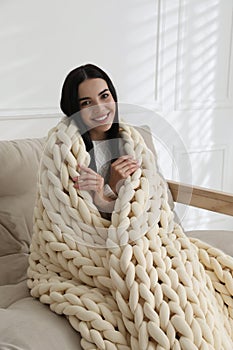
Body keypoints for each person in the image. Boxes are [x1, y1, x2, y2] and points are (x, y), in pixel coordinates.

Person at [60, 63, 140, 216]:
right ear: (74, 110)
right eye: (86, 103)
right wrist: (112, 187)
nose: (100, 108)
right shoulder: (68, 155)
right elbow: (84, 222)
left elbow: (145, 205)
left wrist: (106, 192)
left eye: (104, 96)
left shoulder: (131, 142)